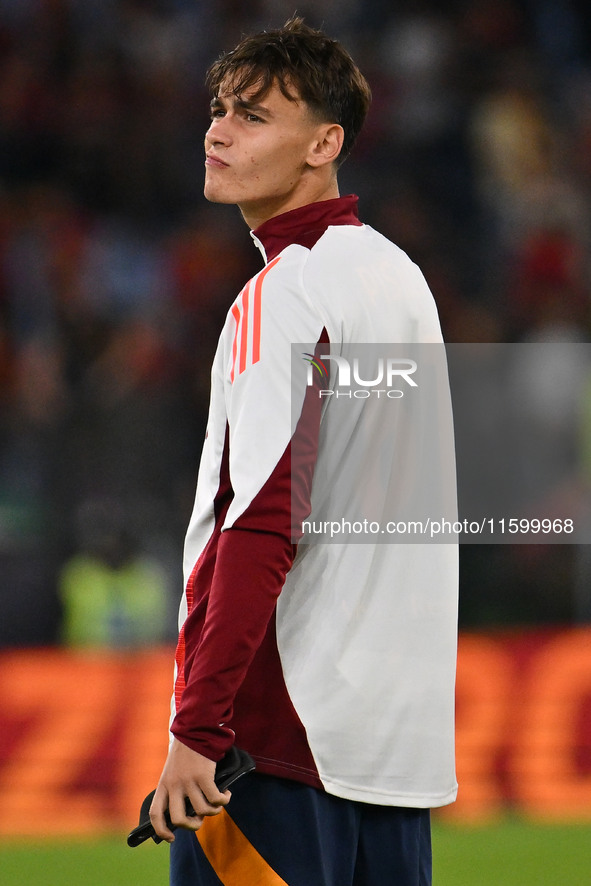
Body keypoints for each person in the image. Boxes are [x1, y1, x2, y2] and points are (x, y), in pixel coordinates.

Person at [149, 17, 458, 886]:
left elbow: (259, 522)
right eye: (218, 108)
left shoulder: (284, 292)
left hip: (278, 740)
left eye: (252, 116)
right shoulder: (399, 277)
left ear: (326, 143)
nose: (216, 130)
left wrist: (199, 730)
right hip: (392, 752)